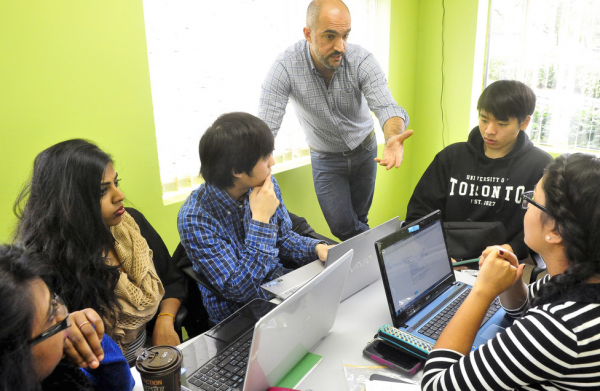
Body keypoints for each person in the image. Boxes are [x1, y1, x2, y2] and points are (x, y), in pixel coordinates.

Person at [421, 153, 600, 390]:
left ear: (556, 231)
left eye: (532, 201)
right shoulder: (585, 279)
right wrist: (512, 283)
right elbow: (527, 309)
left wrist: (482, 291)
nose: (525, 208)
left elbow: (436, 385)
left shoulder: (558, 328)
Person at [13, 139, 185, 362]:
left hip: (150, 358)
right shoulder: (45, 265)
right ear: (70, 202)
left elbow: (172, 280)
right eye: (103, 191)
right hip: (104, 372)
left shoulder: (132, 224)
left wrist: (165, 318)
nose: (119, 195)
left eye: (116, 182)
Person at [258, 0, 412, 241]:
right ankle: (394, 244)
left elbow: (387, 106)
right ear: (308, 34)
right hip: (326, 159)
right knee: (342, 227)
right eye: (330, 36)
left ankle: (367, 269)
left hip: (365, 151)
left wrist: (393, 136)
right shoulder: (285, 67)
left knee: (359, 221)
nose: (340, 46)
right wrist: (254, 160)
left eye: (345, 36)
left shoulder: (361, 60)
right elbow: (266, 125)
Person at [178, 112, 330, 325]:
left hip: (281, 287)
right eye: (265, 157)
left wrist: (316, 249)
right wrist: (260, 221)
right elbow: (239, 289)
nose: (272, 162)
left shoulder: (263, 184)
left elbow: (283, 238)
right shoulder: (195, 218)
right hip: (239, 316)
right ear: (237, 170)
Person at [406, 80, 553, 260]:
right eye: (484, 120)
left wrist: (509, 249)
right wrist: (438, 253)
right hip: (444, 258)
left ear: (524, 122)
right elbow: (419, 212)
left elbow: (546, 224)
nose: (489, 130)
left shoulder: (540, 166)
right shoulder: (451, 157)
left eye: (502, 124)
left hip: (502, 261)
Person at [0, 244, 134, 391]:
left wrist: (93, 338)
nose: (64, 316)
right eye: (51, 314)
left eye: (55, 300)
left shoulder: (58, 372)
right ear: (18, 358)